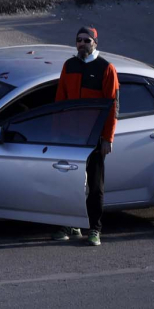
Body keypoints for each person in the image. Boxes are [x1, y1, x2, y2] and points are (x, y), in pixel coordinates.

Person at [51, 26, 118, 246]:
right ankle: (69, 224)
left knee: (96, 187)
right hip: (70, 138)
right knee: (69, 183)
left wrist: (108, 138)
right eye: (78, 40)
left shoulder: (106, 69)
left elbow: (112, 106)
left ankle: (94, 229)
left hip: (95, 138)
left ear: (95, 43)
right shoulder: (69, 66)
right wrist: (56, 133)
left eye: (86, 40)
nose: (81, 44)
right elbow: (60, 101)